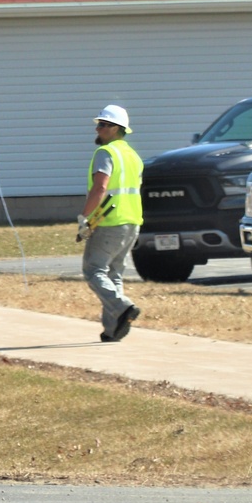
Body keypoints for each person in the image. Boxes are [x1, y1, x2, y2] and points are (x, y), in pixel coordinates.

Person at [77, 104, 144, 342]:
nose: (99, 129)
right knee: (114, 273)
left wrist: (84, 218)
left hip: (108, 221)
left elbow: (100, 187)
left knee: (93, 270)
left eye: (104, 125)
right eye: (99, 124)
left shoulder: (105, 153)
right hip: (132, 221)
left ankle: (121, 305)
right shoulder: (132, 156)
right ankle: (113, 328)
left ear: (117, 129)